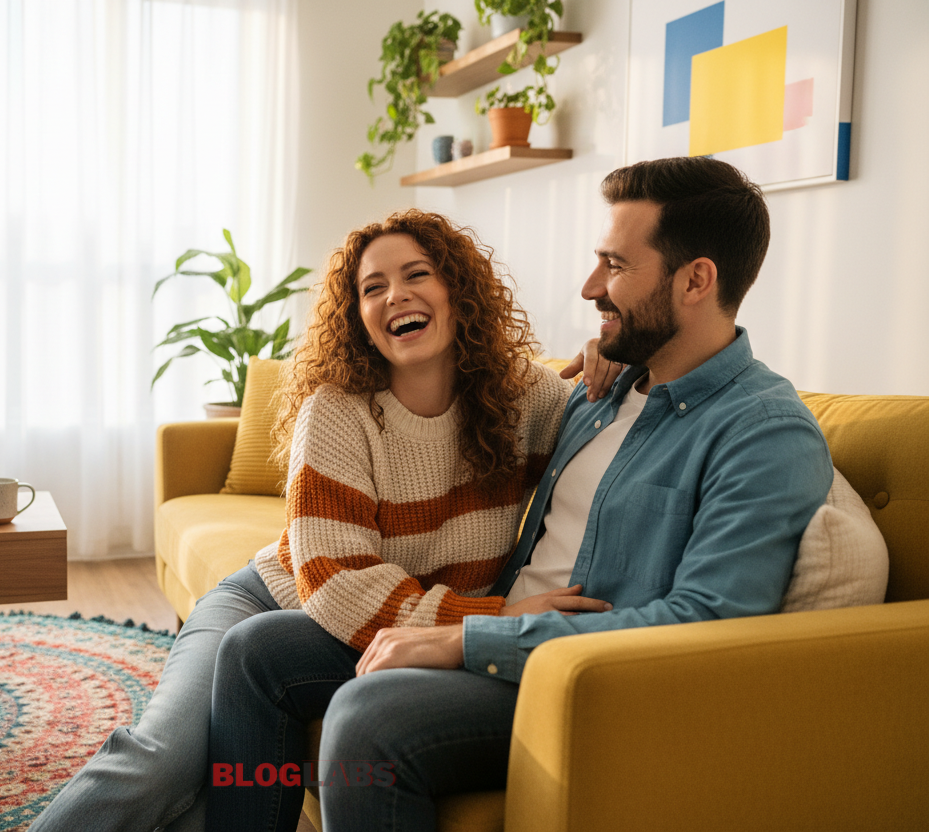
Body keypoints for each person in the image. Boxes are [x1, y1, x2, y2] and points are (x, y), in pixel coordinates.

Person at [205, 156, 834, 832]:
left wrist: (470, 638)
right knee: (254, 651)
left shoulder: (763, 431)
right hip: (497, 631)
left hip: (577, 671)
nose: (591, 287)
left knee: (369, 723)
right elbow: (489, 406)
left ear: (695, 280)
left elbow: (707, 622)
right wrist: (473, 626)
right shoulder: (601, 394)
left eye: (615, 266)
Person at [27, 210, 616, 832]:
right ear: (358, 317)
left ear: (458, 291)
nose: (396, 295)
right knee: (161, 759)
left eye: (417, 274)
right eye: (373, 287)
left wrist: (611, 357)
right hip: (269, 599)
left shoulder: (523, 397)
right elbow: (339, 587)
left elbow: (610, 420)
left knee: (213, 799)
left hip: (384, 631)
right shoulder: (336, 409)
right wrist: (492, 620)